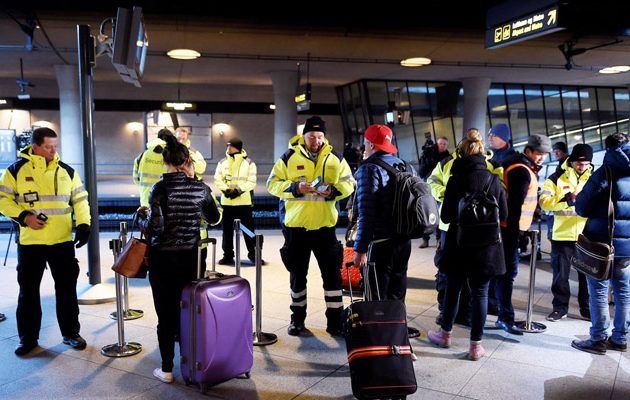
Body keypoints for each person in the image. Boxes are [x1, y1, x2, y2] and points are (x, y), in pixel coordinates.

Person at [138, 134, 222, 383]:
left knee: (166, 315)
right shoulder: (201, 188)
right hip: (191, 258)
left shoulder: (160, 188)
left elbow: (155, 228)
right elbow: (215, 218)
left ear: (166, 162)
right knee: (189, 312)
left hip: (163, 260)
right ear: (187, 160)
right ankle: (191, 366)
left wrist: (140, 217)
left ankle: (166, 370)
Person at [0, 127, 91, 356]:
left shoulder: (67, 172)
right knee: (29, 292)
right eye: (48, 147)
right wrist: (24, 217)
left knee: (67, 290)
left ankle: (71, 333)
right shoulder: (15, 171)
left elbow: (80, 200)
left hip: (61, 242)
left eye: (55, 146)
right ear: (35, 147)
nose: (53, 151)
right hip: (31, 244)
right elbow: (3, 200)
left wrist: (83, 224)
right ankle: (28, 339)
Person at [267, 116, 354, 337]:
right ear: (303, 136)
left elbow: (350, 183)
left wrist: (334, 191)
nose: (315, 141)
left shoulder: (335, 158)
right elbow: (272, 184)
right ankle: (297, 320)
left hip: (325, 228)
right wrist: (295, 187)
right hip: (297, 228)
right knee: (297, 276)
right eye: (311, 136)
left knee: (332, 277)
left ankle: (335, 322)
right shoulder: (288, 157)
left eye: (319, 136)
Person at [427, 128, 507, 360]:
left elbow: (446, 217)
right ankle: (475, 346)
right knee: (480, 293)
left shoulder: (456, 178)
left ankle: (445, 334)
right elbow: (504, 213)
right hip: (486, 247)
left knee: (453, 290)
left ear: (461, 154)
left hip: (458, 245)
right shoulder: (494, 179)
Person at [352, 124, 421, 338]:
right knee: (397, 294)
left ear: (371, 144)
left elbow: (367, 213)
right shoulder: (406, 166)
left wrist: (360, 249)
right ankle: (398, 342)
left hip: (380, 244)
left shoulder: (369, 169)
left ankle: (379, 344)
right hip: (403, 242)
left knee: (376, 296)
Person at [572, 132, 630, 355]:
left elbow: (582, 207)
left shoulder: (605, 172)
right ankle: (620, 338)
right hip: (627, 248)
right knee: (623, 292)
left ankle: (597, 339)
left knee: (598, 290)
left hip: (602, 244)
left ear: (608, 149)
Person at [496, 133, 551, 335]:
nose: (542, 157)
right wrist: (516, 234)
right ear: (528, 150)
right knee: (508, 274)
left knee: (504, 273)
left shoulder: (521, 166)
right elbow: (515, 205)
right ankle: (505, 317)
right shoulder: (520, 170)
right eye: (539, 153)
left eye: (544, 154)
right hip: (509, 230)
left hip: (510, 228)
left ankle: (501, 313)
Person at [539, 144, 593, 322]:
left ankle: (586, 309)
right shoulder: (556, 178)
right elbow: (544, 203)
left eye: (586, 164)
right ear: (572, 161)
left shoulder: (593, 178)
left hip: (586, 235)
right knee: (561, 275)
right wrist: (567, 200)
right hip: (562, 235)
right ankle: (560, 308)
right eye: (579, 163)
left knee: (586, 276)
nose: (582, 167)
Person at [213, 137, 259, 265]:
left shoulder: (249, 163)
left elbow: (251, 182)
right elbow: (217, 179)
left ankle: (254, 254)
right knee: (227, 231)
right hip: (227, 202)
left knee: (248, 230)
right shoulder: (222, 163)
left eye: (230, 146)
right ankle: (228, 256)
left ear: (237, 147)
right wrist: (226, 190)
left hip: (244, 202)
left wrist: (238, 190)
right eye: (227, 145)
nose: (228, 148)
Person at [418, 136, 450, 248]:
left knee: (438, 214)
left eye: (444, 144)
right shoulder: (429, 153)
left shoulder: (447, 157)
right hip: (427, 185)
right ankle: (425, 239)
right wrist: (427, 159)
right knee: (426, 213)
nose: (442, 146)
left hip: (439, 189)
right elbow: (421, 170)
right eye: (440, 143)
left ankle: (438, 239)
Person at [133, 128, 174, 207]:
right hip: (165, 200)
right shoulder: (171, 156)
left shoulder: (142, 156)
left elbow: (136, 180)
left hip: (146, 199)